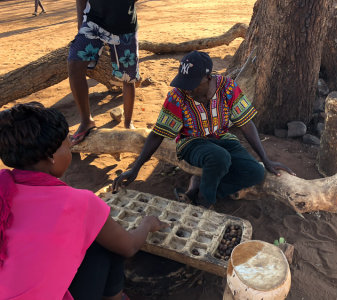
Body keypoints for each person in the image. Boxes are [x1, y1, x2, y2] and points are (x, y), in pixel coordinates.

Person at [0, 102, 168, 300]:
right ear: (50, 156)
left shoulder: (5, 189)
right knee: (106, 243)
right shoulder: (79, 202)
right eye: (66, 143)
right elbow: (128, 246)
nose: (71, 145)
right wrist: (147, 224)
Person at [113, 51, 295, 208]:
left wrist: (265, 159)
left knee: (256, 172)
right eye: (184, 82)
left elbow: (246, 123)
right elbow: (157, 134)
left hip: (223, 139)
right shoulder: (177, 96)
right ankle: (203, 202)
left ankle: (199, 189)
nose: (187, 89)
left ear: (208, 78)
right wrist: (135, 168)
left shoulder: (228, 88)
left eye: (192, 84)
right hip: (191, 143)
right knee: (219, 157)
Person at [68, 0, 140, 145]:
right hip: (94, 22)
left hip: (124, 25)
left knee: (128, 78)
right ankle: (86, 121)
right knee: (74, 65)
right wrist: (81, 25)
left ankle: (128, 123)